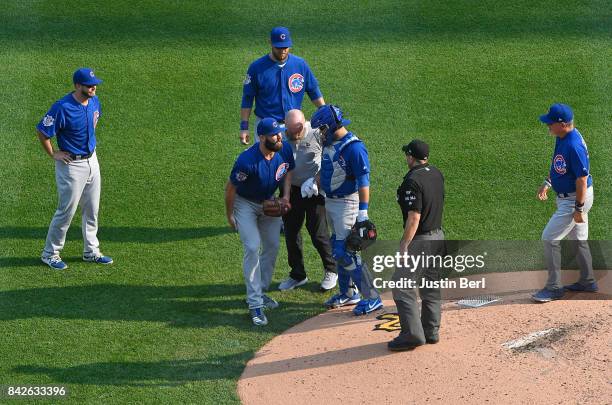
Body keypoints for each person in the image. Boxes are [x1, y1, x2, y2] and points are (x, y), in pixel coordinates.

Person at [37, 68, 113, 270]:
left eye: (94, 83)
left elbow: (92, 124)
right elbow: (43, 131)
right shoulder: (62, 107)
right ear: (77, 86)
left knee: (92, 209)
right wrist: (54, 153)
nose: (93, 87)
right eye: (89, 85)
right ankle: (50, 253)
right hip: (71, 165)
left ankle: (91, 252)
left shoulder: (94, 101)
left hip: (92, 161)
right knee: (66, 212)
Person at [310, 104, 382, 315]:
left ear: (330, 126)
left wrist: (363, 212)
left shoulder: (355, 148)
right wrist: (313, 182)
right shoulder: (331, 142)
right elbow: (330, 169)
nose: (320, 134)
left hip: (347, 204)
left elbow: (364, 181)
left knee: (346, 251)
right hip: (331, 202)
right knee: (337, 248)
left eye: (322, 129)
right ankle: (349, 294)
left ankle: (372, 297)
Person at [225, 118, 295, 326]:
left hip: (269, 202)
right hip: (245, 204)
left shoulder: (284, 149)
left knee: (272, 245)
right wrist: (230, 215)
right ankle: (254, 303)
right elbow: (230, 188)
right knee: (253, 246)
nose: (279, 137)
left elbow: (288, 170)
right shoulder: (247, 161)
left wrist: (286, 197)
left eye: (280, 133)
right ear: (262, 137)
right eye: (275, 134)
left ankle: (262, 290)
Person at [533, 103, 596, 302]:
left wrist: (578, 209)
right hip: (571, 198)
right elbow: (560, 166)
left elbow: (581, 179)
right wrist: (548, 182)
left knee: (549, 238)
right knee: (578, 240)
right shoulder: (563, 137)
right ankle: (587, 281)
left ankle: (554, 287)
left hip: (574, 199)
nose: (547, 126)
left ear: (562, 124)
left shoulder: (573, 145)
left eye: (550, 123)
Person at [388, 139, 445, 352]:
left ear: (411, 157)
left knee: (401, 285)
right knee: (430, 285)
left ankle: (412, 335)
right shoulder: (436, 173)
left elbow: (414, 218)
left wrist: (404, 244)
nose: (406, 158)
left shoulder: (412, 181)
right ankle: (431, 331)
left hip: (421, 240)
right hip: (439, 237)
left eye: (407, 155)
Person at [278, 109, 337, 292]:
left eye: (296, 131)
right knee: (291, 232)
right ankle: (297, 275)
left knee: (318, 232)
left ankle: (331, 270)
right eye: (289, 131)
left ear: (304, 125)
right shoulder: (280, 135)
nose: (293, 136)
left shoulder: (318, 133)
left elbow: (330, 160)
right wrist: (285, 196)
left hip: (314, 190)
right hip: (291, 189)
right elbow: (279, 165)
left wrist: (316, 182)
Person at [239, 26, 325, 145]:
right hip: (266, 127)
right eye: (278, 47)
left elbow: (313, 91)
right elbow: (247, 98)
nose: (282, 50)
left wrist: (325, 113)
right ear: (270, 43)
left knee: (293, 162)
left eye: (285, 47)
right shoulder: (256, 68)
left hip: (294, 127)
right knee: (266, 161)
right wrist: (244, 127)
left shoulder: (300, 65)